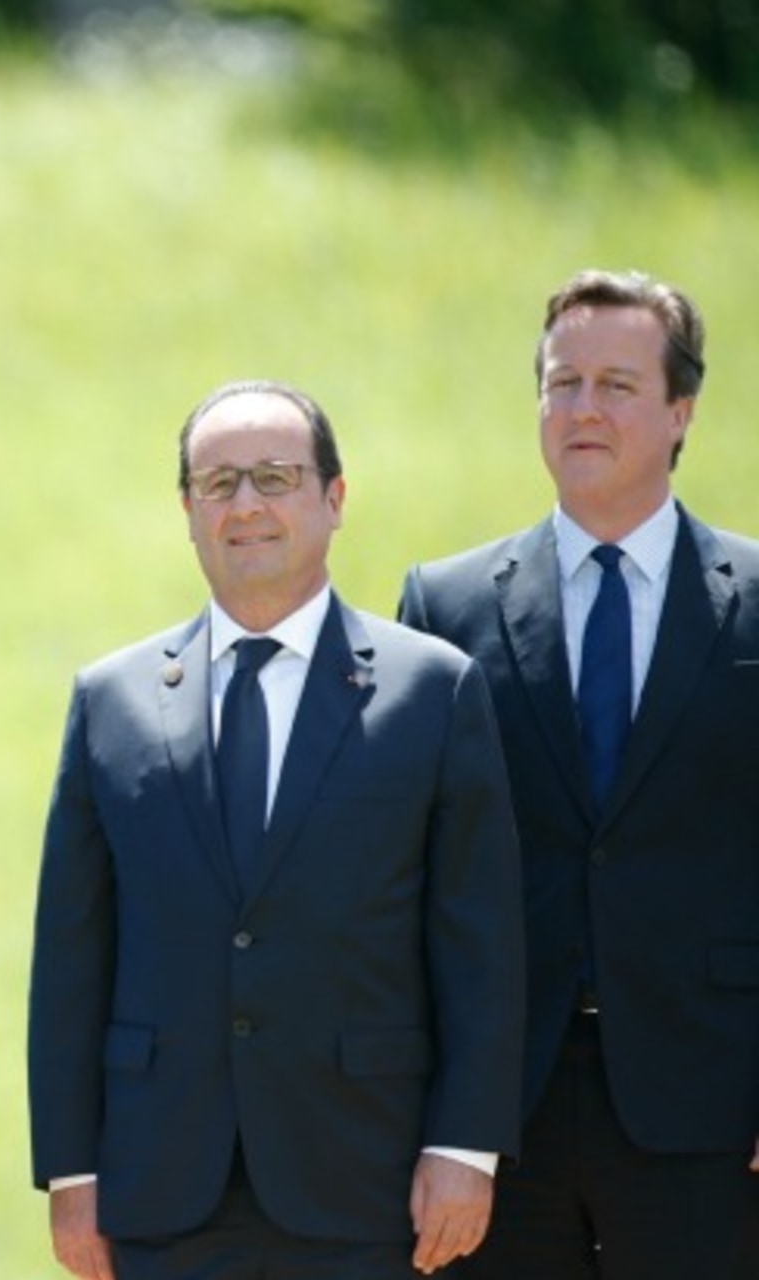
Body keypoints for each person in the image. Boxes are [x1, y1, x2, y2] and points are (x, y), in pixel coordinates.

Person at [28, 380, 527, 1280]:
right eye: (218, 484)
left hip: (369, 1184)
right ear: (186, 510)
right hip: (160, 1188)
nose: (245, 504)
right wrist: (73, 1167)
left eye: (274, 476)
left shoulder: (432, 690)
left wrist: (467, 1147)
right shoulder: (112, 700)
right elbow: (72, 957)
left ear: (334, 499)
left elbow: (481, 942)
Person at [397, 269, 759, 1278]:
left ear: (681, 410)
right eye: (562, 382)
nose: (582, 408)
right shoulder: (445, 605)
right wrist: (434, 1118)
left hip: (712, 1105)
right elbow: (419, 872)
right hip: (502, 1115)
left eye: (616, 384)